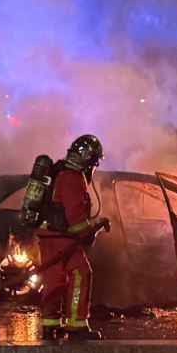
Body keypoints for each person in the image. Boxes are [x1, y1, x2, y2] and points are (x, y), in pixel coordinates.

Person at [36, 134, 111, 340]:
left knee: (54, 278)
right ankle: (76, 325)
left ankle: (49, 324)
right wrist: (87, 233)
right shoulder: (72, 177)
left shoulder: (59, 172)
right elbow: (75, 213)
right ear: (89, 160)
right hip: (63, 237)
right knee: (81, 273)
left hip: (48, 234)